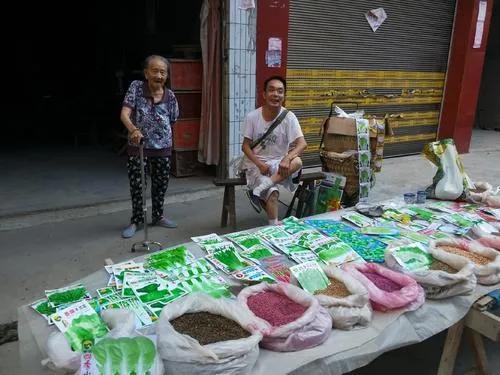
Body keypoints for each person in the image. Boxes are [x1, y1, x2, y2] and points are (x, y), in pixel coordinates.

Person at [120, 55, 179, 238]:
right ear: (146, 73)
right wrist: (133, 130)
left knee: (160, 185)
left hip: (163, 148)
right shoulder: (136, 88)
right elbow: (124, 114)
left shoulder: (170, 96)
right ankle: (136, 220)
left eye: (163, 72)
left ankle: (158, 216)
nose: (159, 75)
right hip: (139, 147)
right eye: (155, 71)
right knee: (138, 186)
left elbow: (173, 119)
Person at [241, 76, 307, 225]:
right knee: (273, 193)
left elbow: (302, 144)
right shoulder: (252, 117)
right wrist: (259, 164)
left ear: (284, 96)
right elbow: (245, 146)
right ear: (264, 94)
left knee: (297, 161)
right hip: (256, 165)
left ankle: (261, 188)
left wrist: (287, 158)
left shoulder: (289, 117)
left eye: (280, 91)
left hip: (278, 164)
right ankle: (273, 226)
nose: (276, 94)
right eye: (271, 90)